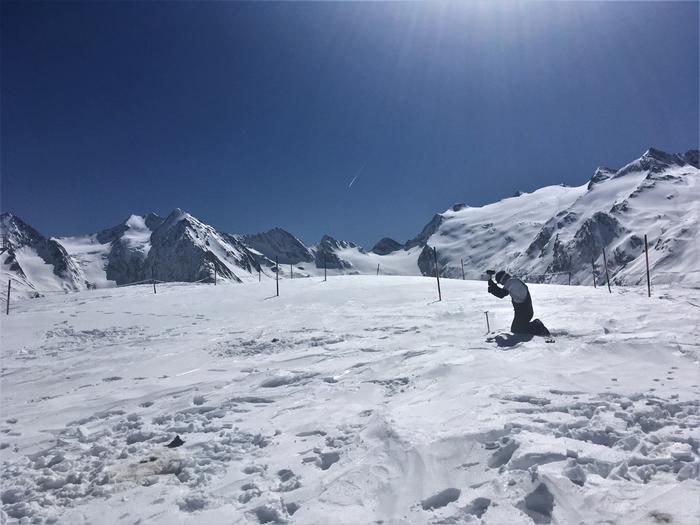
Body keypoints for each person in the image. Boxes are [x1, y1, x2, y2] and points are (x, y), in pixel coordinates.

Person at [488, 270, 550, 336]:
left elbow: (501, 294)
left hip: (524, 312)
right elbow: (502, 292)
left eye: (500, 283)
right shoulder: (514, 281)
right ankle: (536, 326)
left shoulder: (510, 282)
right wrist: (493, 287)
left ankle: (537, 325)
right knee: (516, 328)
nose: (502, 285)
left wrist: (492, 288)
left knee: (517, 329)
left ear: (502, 279)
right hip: (525, 311)